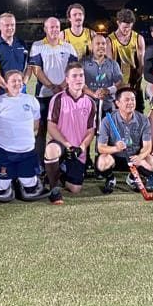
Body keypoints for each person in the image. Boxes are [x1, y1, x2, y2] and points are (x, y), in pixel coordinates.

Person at [0, 69, 46, 202]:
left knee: (30, 184)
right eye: (13, 81)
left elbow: (35, 124)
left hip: (27, 152)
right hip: (4, 152)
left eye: (19, 80)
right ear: (6, 83)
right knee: (1, 188)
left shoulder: (31, 100)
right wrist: (5, 137)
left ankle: (20, 177)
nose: (17, 83)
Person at [42, 63, 97, 203]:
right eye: (74, 76)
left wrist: (81, 148)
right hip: (61, 144)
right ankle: (54, 190)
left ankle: (58, 172)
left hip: (78, 149)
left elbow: (91, 131)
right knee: (51, 149)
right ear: (67, 79)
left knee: (75, 188)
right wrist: (67, 145)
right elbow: (51, 126)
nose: (78, 79)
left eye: (81, 75)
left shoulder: (90, 102)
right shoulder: (58, 99)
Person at [28, 17, 78, 156]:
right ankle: (39, 164)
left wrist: (62, 86)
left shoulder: (68, 47)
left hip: (64, 95)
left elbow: (72, 69)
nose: (55, 29)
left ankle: (60, 161)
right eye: (51, 27)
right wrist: (51, 86)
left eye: (57, 27)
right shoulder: (37, 46)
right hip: (43, 94)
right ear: (45, 29)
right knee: (41, 129)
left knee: (62, 129)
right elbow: (36, 70)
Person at [96, 87, 153, 193]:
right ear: (117, 103)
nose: (131, 103)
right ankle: (111, 178)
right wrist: (116, 148)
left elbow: (148, 146)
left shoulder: (143, 119)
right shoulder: (107, 120)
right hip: (116, 158)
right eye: (127, 100)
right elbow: (101, 148)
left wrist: (140, 157)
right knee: (102, 162)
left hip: (134, 157)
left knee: (152, 163)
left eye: (133, 99)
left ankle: (132, 178)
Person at [111, 8, 146, 112]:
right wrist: (117, 85)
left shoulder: (138, 38)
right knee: (119, 115)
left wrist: (137, 81)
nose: (127, 30)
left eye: (129, 27)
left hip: (134, 82)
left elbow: (141, 64)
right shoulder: (110, 41)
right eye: (124, 27)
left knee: (138, 111)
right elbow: (110, 66)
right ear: (118, 23)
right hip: (118, 84)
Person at [83, 32, 122, 117]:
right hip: (87, 106)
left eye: (103, 44)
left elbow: (119, 83)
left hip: (108, 106)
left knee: (108, 129)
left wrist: (107, 90)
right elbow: (80, 84)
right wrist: (94, 94)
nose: (101, 46)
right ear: (91, 47)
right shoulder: (84, 63)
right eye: (98, 44)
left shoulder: (113, 64)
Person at [0, 12, 29, 89]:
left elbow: (29, 66)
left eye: (12, 25)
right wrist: (6, 86)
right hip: (2, 90)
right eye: (7, 25)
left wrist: (23, 84)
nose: (10, 28)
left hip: (20, 89)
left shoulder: (22, 44)